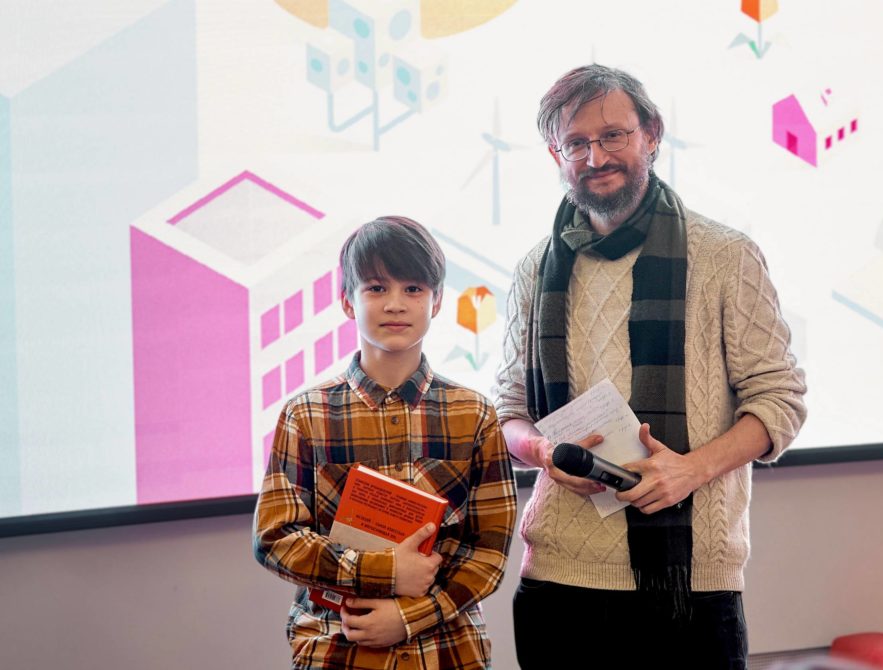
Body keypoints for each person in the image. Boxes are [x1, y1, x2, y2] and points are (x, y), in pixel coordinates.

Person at [494, 64, 808, 669]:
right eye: (576, 143)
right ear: (556, 154)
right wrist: (544, 453)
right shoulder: (535, 269)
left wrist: (690, 470)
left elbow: (780, 400)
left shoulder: (725, 256)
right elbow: (509, 412)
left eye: (613, 135)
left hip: (690, 582)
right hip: (559, 576)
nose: (596, 157)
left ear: (652, 134)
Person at [254, 216, 517, 670]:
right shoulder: (306, 414)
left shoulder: (474, 414)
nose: (395, 304)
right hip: (339, 648)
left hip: (448, 651)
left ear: (436, 302)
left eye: (413, 288)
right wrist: (386, 572)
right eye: (376, 288)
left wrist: (410, 616)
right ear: (347, 302)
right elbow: (275, 539)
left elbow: (488, 552)